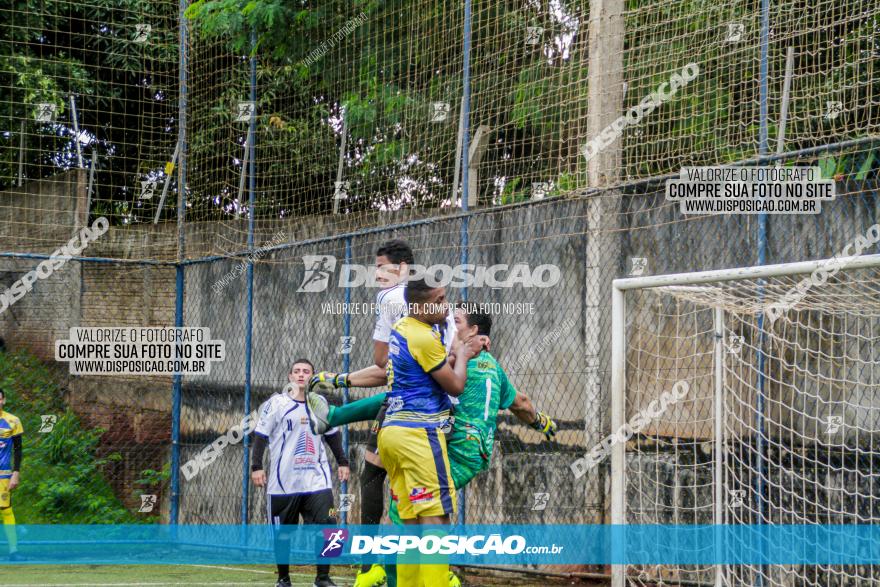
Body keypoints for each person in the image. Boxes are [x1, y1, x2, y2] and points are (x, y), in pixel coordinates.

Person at [307, 303, 557, 518]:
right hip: (471, 449)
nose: (450, 324)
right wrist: (540, 422)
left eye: (456, 321)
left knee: (406, 510)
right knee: (420, 509)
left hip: (459, 450)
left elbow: (389, 374)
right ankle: (333, 416)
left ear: (474, 331)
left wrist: (338, 379)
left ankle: (420, 573)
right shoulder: (492, 366)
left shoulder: (458, 361)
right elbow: (521, 403)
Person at [251, 360, 350, 587]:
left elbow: (332, 435)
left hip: (317, 479)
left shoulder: (320, 403)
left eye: (306, 372)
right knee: (283, 534)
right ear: (290, 376)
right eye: (296, 371)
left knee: (330, 527)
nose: (301, 375)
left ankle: (323, 578)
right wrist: (256, 466)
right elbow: (260, 436)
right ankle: (283, 579)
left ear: (313, 376)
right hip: (284, 481)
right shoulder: (276, 403)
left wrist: (343, 462)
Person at [0, 388, 24, 561]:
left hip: (3, 475)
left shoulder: (13, 421)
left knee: (6, 511)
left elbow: (18, 449)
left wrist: (16, 472)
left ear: (4, 400)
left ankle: (13, 552)